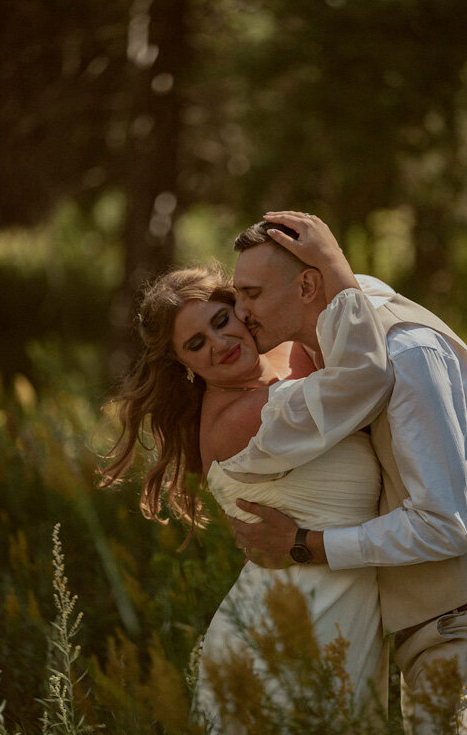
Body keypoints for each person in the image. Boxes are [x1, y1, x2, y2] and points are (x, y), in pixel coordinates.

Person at [228, 210, 467, 733]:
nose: (240, 310)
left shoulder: (406, 353)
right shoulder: (322, 346)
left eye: (251, 293)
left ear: (306, 284)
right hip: (424, 636)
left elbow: (444, 524)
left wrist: (305, 543)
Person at [100, 258, 395, 730]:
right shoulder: (237, 420)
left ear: (241, 308)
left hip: (341, 615)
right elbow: (367, 379)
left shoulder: (288, 356)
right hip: (283, 634)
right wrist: (329, 257)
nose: (220, 344)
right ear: (182, 364)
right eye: (196, 344)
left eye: (222, 321)